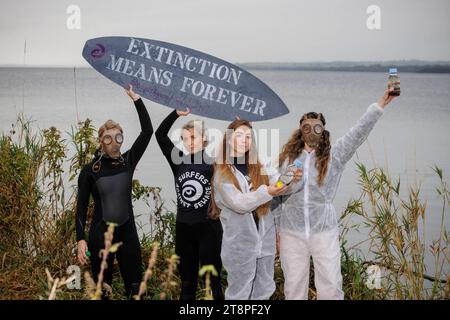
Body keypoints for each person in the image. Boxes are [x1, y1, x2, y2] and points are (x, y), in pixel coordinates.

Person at [275, 87, 398, 299]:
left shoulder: (335, 156)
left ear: (322, 131)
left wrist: (381, 104)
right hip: (291, 232)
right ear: (300, 131)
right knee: (294, 287)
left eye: (317, 128)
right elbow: (276, 196)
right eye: (307, 128)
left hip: (324, 232)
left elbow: (358, 132)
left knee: (330, 285)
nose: (311, 132)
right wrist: (276, 231)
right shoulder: (287, 159)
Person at [76, 85, 153, 298]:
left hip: (128, 234)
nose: (114, 142)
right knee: (103, 291)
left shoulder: (128, 161)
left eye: (118, 137)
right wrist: (80, 239)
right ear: (101, 141)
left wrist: (136, 99)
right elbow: (81, 207)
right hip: (100, 236)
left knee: (137, 290)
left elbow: (147, 131)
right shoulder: (90, 170)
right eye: (108, 138)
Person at [210, 119, 300, 300]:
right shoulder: (221, 171)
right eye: (240, 136)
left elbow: (279, 184)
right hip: (239, 245)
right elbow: (240, 203)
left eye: (249, 136)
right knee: (239, 293)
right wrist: (267, 191)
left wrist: (292, 179)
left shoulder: (259, 165)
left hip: (264, 241)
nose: (245, 140)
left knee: (264, 289)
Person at [155, 108, 224, 300]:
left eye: (193, 137)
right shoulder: (178, 161)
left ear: (204, 139)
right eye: (185, 138)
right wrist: (176, 113)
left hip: (208, 228)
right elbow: (160, 135)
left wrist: (236, 126)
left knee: (212, 283)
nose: (189, 142)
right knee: (187, 285)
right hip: (184, 229)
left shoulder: (214, 163)